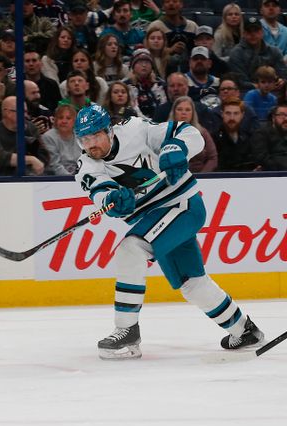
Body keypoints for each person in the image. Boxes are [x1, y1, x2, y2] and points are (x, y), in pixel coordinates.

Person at [73, 104, 264, 360]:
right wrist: (113, 200)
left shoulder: (135, 129)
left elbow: (189, 132)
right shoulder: (86, 166)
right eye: (84, 139)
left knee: (131, 249)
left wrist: (177, 148)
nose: (90, 144)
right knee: (191, 283)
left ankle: (127, 331)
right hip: (156, 221)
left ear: (109, 130)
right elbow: (101, 194)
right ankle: (244, 330)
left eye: (95, 136)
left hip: (182, 205)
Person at [0, 96, 46, 176]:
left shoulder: (31, 128)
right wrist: (30, 160)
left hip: (27, 177)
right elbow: (0, 157)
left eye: (26, 112)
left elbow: (43, 155)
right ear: (7, 112)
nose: (26, 116)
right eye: (22, 112)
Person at [228, 16, 287, 91]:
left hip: (274, 92)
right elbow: (240, 81)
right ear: (244, 34)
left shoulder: (274, 51)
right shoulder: (236, 53)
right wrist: (261, 87)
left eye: (256, 31)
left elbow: (283, 74)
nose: (253, 34)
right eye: (249, 31)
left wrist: (282, 81)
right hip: (246, 94)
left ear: (262, 33)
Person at [168, 95, 217, 173]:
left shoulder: (202, 132)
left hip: (200, 177)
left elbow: (213, 158)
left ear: (193, 113)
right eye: (179, 109)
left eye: (188, 110)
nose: (183, 113)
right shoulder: (164, 133)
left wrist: (203, 176)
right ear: (174, 112)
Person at [212, 98, 261, 171]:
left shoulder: (248, 137)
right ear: (222, 114)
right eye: (228, 113)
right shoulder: (213, 138)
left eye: (236, 113)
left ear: (242, 115)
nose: (232, 118)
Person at [122, 48, 167, 118]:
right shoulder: (125, 85)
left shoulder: (160, 84)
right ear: (133, 66)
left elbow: (164, 105)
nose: (144, 65)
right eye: (140, 62)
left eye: (147, 62)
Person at [40, 103, 80, 175]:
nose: (64, 121)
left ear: (74, 122)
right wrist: (72, 180)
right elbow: (54, 166)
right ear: (55, 120)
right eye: (60, 118)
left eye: (68, 118)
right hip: (55, 180)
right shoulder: (48, 137)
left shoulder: (80, 136)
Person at [251, 102, 287, 170]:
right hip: (273, 176)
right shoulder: (261, 133)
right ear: (273, 118)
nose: (286, 119)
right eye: (282, 115)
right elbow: (262, 159)